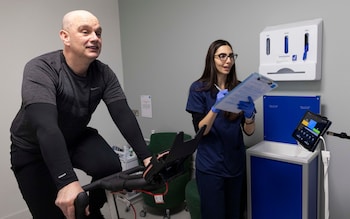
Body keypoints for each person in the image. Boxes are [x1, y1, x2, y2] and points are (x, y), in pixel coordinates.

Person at [10, 10, 152, 219]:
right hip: (32, 148)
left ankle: (90, 211)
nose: (95, 38)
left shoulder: (103, 73)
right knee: (52, 212)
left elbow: (122, 114)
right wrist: (66, 180)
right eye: (85, 31)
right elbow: (46, 128)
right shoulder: (41, 68)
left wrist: (147, 157)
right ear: (64, 36)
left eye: (98, 33)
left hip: (74, 136)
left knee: (110, 166)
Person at [186, 39, 256, 219]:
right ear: (212, 59)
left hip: (235, 165)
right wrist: (216, 108)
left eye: (231, 56)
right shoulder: (198, 89)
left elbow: (249, 131)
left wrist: (249, 116)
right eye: (222, 56)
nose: (228, 61)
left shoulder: (240, 87)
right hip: (211, 167)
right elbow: (201, 130)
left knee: (235, 214)